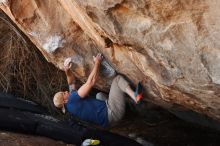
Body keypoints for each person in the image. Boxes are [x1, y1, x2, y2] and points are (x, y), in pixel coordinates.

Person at [53, 53, 143, 128]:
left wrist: (67, 70)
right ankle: (135, 96)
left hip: (109, 122)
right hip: (112, 113)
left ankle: (123, 103)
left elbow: (71, 83)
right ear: (64, 100)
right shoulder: (72, 100)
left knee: (99, 95)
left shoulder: (70, 105)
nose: (66, 91)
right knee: (118, 79)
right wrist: (97, 62)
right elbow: (91, 82)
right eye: (64, 93)